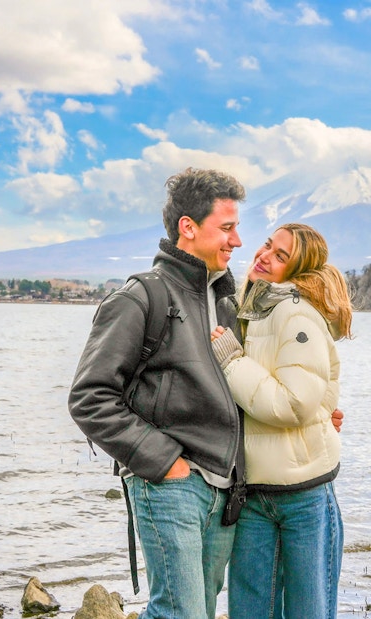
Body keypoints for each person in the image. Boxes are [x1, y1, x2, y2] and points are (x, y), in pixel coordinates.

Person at [68, 167, 246, 619]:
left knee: (198, 612)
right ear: (188, 227)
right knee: (179, 614)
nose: (237, 240)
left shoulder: (228, 301)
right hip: (172, 485)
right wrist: (167, 463)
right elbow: (89, 397)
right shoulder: (140, 297)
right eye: (226, 228)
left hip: (225, 491)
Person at [211, 222, 353, 619]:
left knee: (309, 612)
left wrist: (232, 362)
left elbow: (293, 403)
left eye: (280, 256)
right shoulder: (255, 308)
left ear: (297, 272)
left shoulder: (296, 314)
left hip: (303, 497)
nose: (264, 256)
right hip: (253, 494)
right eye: (268, 245)